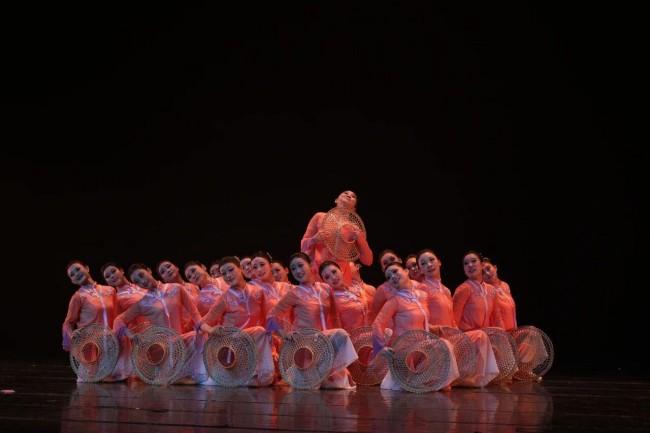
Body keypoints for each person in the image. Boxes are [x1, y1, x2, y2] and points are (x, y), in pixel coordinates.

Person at [266, 252, 358, 389]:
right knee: (340, 334)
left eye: (300, 265)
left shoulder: (325, 288)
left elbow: (334, 317)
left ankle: (326, 370)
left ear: (310, 265)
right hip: (307, 342)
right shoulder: (294, 293)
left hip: (325, 343)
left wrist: (337, 341)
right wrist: (284, 334)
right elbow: (271, 315)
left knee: (339, 384)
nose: (297, 271)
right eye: (293, 268)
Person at [371, 262, 459, 391]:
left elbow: (422, 323)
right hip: (405, 351)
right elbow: (377, 324)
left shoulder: (422, 296)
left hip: (422, 347)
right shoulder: (394, 301)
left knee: (444, 344)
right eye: (388, 277)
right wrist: (381, 348)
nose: (392, 277)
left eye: (395, 271)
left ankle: (433, 380)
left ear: (406, 271)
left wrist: (439, 328)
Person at [112, 263, 203, 384]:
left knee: (199, 336)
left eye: (142, 275)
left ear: (149, 271)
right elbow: (119, 320)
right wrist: (131, 335)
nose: (142, 281)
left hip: (180, 341)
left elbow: (194, 312)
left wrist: (205, 327)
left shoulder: (175, 288)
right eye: (137, 281)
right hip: (162, 347)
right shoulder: (143, 303)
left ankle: (181, 374)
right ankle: (172, 374)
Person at [199, 256, 274, 387]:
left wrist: (273, 347)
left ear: (240, 269)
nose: (228, 275)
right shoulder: (224, 298)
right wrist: (211, 329)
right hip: (233, 344)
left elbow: (268, 320)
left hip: (254, 345)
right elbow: (201, 323)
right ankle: (255, 375)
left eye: (231, 270)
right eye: (224, 274)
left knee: (263, 332)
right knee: (259, 331)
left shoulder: (258, 292)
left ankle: (258, 375)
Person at [62, 260, 124, 382]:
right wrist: (72, 335)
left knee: (115, 385)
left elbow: (118, 317)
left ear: (87, 268)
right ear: (72, 281)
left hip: (111, 345)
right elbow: (68, 323)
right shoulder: (78, 297)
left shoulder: (110, 290)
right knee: (91, 386)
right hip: (91, 346)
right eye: (72, 275)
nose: (76, 274)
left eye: (78, 269)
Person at [300, 190, 373, 285]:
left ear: (354, 208)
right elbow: (303, 245)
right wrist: (314, 240)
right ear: (336, 200)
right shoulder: (320, 217)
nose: (349, 196)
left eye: (353, 196)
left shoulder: (354, 230)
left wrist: (361, 240)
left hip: (341, 277)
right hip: (318, 273)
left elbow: (368, 261)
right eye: (345, 193)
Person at [452, 251, 500, 387]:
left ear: (482, 264)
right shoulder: (464, 289)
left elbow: (497, 318)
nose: (470, 265)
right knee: (480, 336)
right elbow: (453, 320)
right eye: (466, 263)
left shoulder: (491, 290)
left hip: (483, 339)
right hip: (468, 340)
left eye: (473, 261)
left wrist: (502, 338)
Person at [101, 262, 148, 380]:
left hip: (155, 329)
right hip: (137, 335)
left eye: (113, 271)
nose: (112, 276)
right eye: (107, 276)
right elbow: (117, 321)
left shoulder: (140, 285)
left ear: (121, 271)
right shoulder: (115, 297)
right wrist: (130, 334)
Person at [319, 261, 370, 333]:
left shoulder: (355, 286)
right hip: (352, 338)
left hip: (370, 334)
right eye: (327, 277)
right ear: (325, 283)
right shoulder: (331, 301)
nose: (333, 277)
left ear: (341, 271)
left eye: (334, 272)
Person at [157, 259, 200, 332]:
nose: (168, 270)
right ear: (163, 280)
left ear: (177, 267)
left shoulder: (194, 286)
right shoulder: (167, 298)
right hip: (189, 333)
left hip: (205, 325)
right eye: (163, 272)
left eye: (168, 266)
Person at [416, 250, 455, 327]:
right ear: (420, 270)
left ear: (439, 262)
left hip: (450, 332)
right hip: (434, 334)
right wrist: (435, 329)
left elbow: (452, 318)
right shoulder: (421, 289)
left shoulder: (446, 290)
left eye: (431, 260)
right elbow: (419, 319)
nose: (429, 265)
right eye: (423, 263)